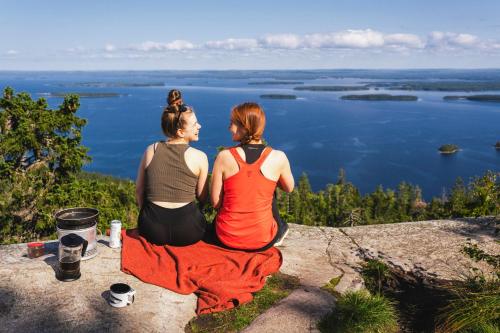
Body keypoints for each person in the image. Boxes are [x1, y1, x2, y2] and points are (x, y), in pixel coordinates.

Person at [210, 102, 294, 251]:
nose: (229, 128)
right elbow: (289, 188)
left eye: (232, 123)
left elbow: (216, 203)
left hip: (226, 237)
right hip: (263, 239)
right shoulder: (278, 157)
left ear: (244, 126)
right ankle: (279, 229)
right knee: (269, 187)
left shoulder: (224, 157)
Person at [135, 89, 209, 246]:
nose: (200, 126)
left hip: (151, 229)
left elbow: (139, 190)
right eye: (195, 124)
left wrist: (145, 214)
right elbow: (202, 197)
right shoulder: (200, 157)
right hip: (189, 230)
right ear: (181, 132)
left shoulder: (151, 150)